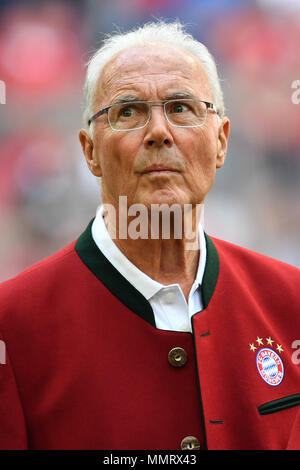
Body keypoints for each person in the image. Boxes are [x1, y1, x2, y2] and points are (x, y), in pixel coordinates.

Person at [0, 20, 300, 451]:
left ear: (221, 141)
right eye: (128, 111)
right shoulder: (12, 327)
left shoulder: (290, 304)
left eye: (181, 108)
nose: (159, 131)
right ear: (90, 151)